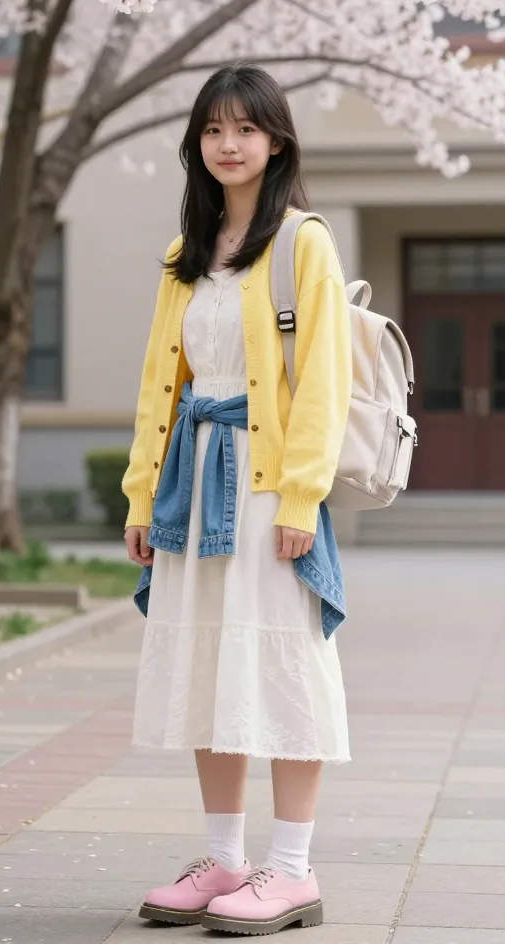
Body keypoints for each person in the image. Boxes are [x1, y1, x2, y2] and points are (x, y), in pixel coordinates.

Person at [123, 63, 352, 936]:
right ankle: (225, 859)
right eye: (213, 130)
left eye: (244, 130)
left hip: (265, 492)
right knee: (210, 671)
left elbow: (323, 384)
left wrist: (301, 501)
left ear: (276, 141)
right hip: (191, 484)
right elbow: (158, 387)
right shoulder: (185, 256)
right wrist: (143, 497)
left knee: (283, 665)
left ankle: (291, 871)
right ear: (198, 143)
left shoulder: (303, 244)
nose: (228, 145)